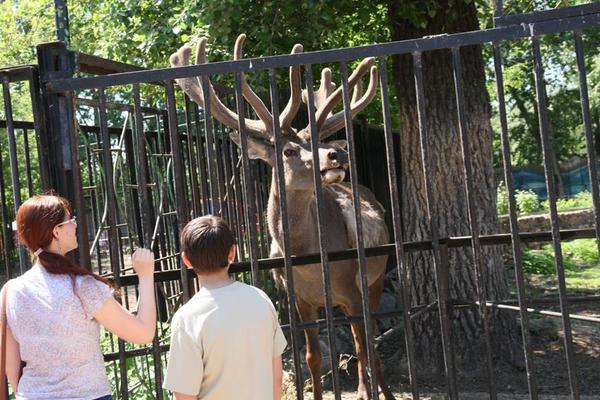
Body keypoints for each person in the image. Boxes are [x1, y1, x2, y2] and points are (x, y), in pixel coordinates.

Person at [1, 194, 156, 400]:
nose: (74, 225)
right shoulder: (81, 287)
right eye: (70, 220)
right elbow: (143, 334)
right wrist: (145, 276)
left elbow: (11, 365)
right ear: (57, 231)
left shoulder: (11, 290)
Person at [163, 215, 287, 400]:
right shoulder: (261, 300)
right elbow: (277, 377)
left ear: (186, 260)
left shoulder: (187, 318)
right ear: (232, 253)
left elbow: (184, 395)